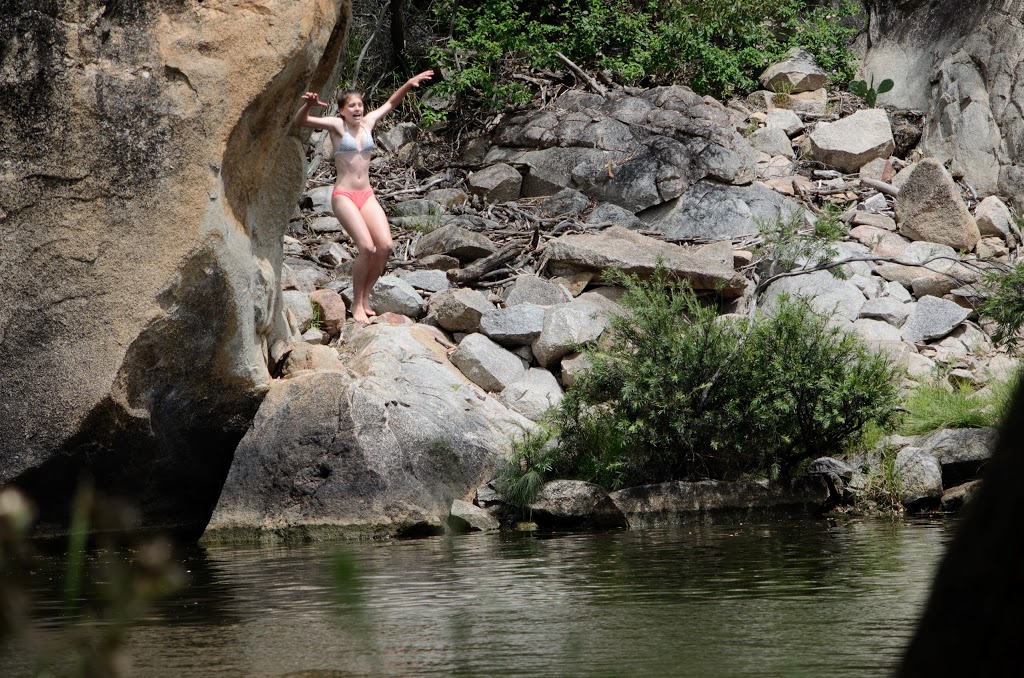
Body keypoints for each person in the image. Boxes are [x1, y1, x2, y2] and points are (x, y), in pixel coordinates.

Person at [293, 70, 434, 323]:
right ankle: (357, 304)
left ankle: (366, 296)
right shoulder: (337, 126)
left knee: (386, 247)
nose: (357, 109)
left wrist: (408, 83)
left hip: (366, 194)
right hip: (344, 195)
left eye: (360, 104)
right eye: (352, 106)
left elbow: (390, 103)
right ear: (343, 111)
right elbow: (301, 122)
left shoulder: (368, 122)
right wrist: (308, 105)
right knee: (366, 247)